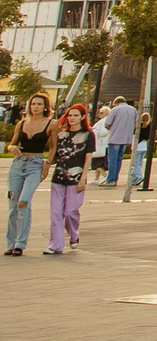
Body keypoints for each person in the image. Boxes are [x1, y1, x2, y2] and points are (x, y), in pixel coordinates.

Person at [45, 101, 93, 254]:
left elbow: (88, 158)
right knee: (56, 213)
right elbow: (54, 154)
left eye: (75, 115)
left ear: (82, 117)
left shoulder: (88, 134)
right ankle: (56, 245)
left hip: (76, 178)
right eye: (70, 115)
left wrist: (83, 179)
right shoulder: (61, 135)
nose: (72, 118)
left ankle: (74, 234)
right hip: (59, 177)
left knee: (71, 211)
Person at [8, 91, 51, 256]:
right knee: (13, 204)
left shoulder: (50, 124)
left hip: (35, 164)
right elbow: (12, 144)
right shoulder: (21, 124)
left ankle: (20, 244)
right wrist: (12, 148)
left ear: (45, 106)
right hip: (18, 165)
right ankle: (11, 243)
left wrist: (47, 162)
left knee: (23, 202)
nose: (36, 107)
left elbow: (53, 146)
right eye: (33, 104)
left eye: (39, 104)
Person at [98, 97, 135, 186]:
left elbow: (107, 124)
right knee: (119, 159)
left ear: (116, 103)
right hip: (126, 138)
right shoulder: (133, 110)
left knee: (112, 159)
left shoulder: (115, 110)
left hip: (115, 137)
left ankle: (111, 179)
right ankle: (115, 178)